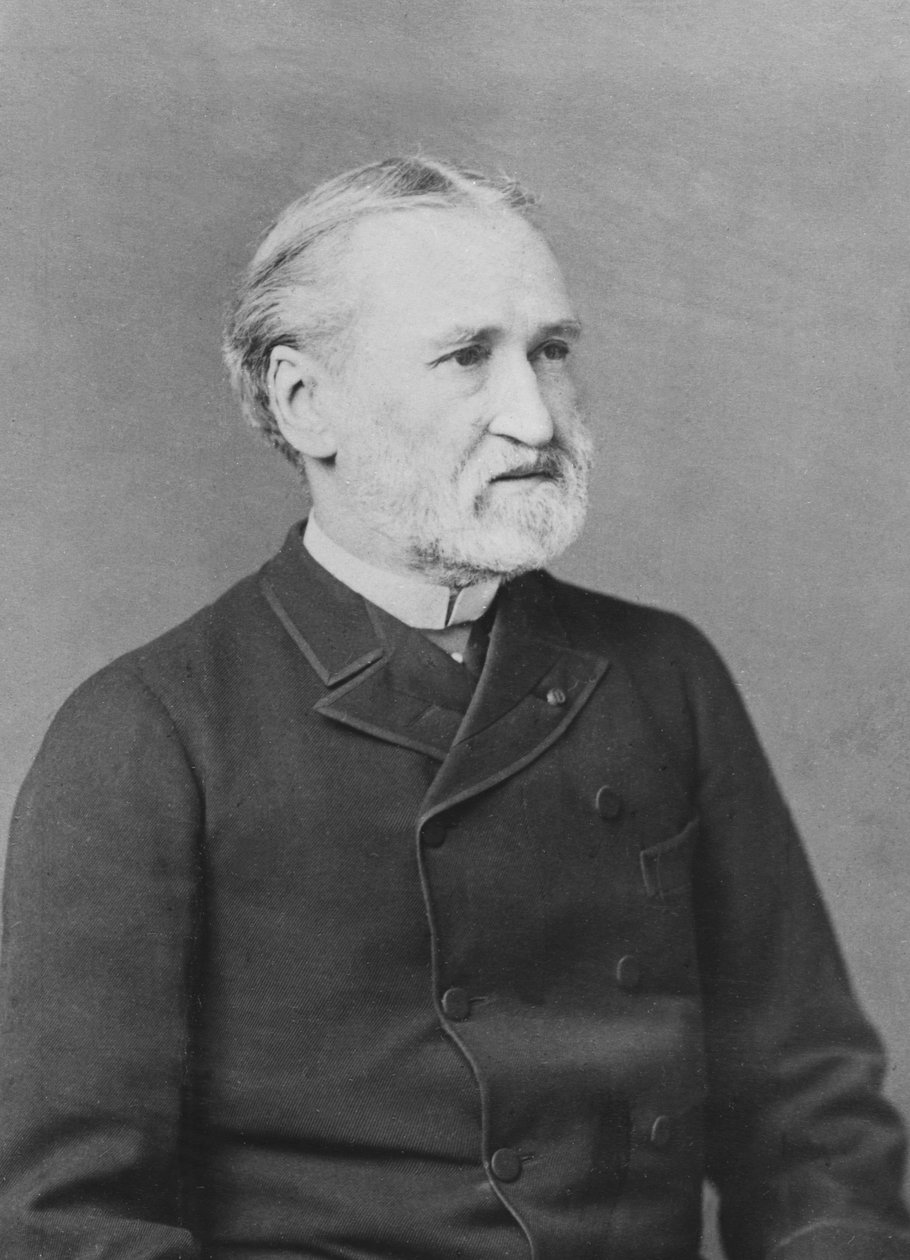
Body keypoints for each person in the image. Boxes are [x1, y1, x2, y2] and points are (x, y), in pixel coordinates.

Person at [0, 155, 907, 1260]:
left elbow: (813, 1115)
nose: (535, 417)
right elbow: (66, 1221)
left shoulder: (666, 677)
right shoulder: (147, 735)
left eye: (550, 351)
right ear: (305, 400)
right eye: (467, 356)